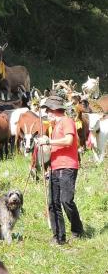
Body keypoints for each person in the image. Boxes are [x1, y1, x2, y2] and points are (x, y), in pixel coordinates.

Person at [37, 95, 84, 245]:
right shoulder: (54, 127)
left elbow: (69, 141)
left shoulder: (66, 121)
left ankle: (77, 230)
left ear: (54, 110)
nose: (47, 113)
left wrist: (48, 141)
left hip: (67, 166)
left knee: (66, 201)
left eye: (48, 110)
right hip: (55, 167)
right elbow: (55, 147)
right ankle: (59, 236)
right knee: (53, 203)